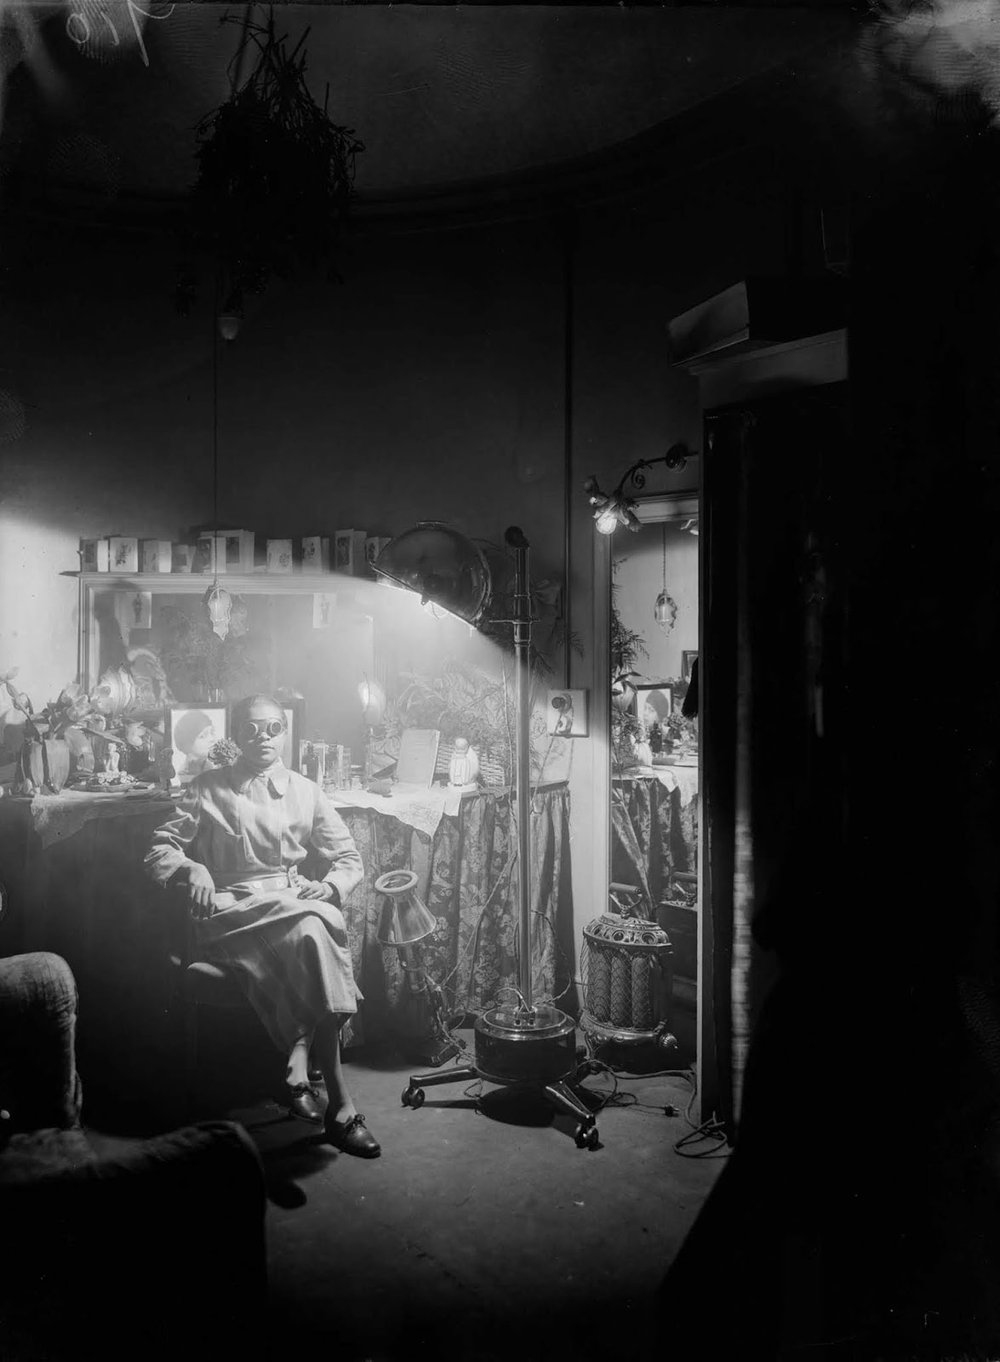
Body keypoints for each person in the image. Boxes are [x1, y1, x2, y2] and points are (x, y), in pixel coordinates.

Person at [145, 693, 380, 1158]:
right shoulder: (205, 788)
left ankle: (321, 1083)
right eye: (252, 728)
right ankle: (325, 1086)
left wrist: (331, 887)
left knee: (317, 920)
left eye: (273, 727)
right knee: (317, 926)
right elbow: (159, 847)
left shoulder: (306, 790)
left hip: (288, 905)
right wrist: (193, 869)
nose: (264, 738)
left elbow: (349, 859)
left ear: (285, 731)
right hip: (229, 912)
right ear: (235, 735)